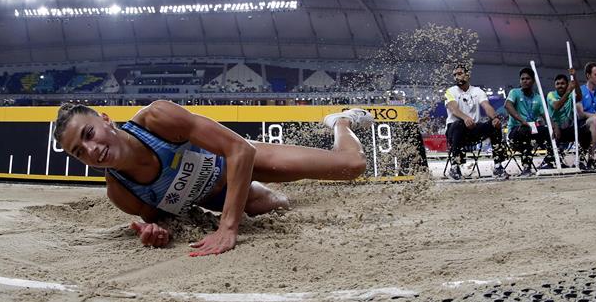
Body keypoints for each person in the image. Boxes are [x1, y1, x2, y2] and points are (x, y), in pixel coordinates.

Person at [53, 100, 373, 256]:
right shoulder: (121, 192)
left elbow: (241, 151)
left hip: (237, 161)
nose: (91, 150)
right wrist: (158, 231)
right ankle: (255, 195)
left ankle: (341, 122)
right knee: (274, 204)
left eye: (89, 134)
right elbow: (172, 218)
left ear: (105, 120)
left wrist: (228, 227)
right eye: (79, 152)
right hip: (214, 196)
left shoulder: (157, 119)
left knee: (352, 166)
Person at [443, 65, 508, 180]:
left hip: (473, 129)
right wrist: (465, 118)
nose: (457, 77)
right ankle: (454, 167)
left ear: (468, 75)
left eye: (460, 73)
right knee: (459, 124)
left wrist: (495, 118)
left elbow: (486, 106)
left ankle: (498, 166)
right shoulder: (450, 91)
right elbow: (454, 109)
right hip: (454, 131)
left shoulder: (478, 91)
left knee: (495, 125)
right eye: (455, 75)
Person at [505, 67, 550, 177]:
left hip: (531, 130)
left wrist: (553, 126)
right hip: (515, 131)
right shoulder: (514, 92)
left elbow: (546, 116)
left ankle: (550, 161)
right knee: (525, 129)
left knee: (549, 130)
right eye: (522, 79)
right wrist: (522, 121)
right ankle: (526, 167)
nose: (524, 81)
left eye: (528, 78)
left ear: (533, 81)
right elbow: (508, 105)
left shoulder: (538, 98)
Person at [543, 69, 590, 169]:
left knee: (586, 132)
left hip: (568, 128)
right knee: (552, 133)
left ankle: (580, 161)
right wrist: (569, 90)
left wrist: (575, 79)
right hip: (554, 128)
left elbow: (579, 97)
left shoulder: (571, 95)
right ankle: (550, 161)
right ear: (555, 85)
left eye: (563, 83)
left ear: (567, 84)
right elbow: (556, 106)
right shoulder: (551, 95)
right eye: (558, 84)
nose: (560, 86)